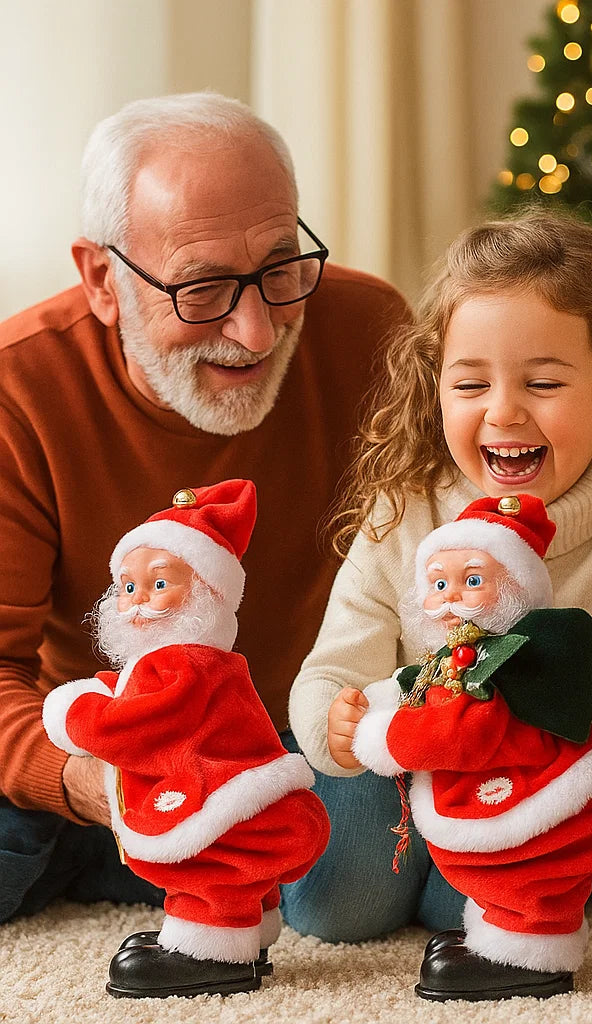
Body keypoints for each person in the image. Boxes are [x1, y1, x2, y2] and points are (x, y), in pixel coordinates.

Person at [288, 211, 592, 945]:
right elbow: (332, 669)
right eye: (471, 383)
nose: (503, 411)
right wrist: (337, 728)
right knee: (339, 914)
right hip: (395, 776)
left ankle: (442, 875)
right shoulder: (404, 512)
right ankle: (395, 860)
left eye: (542, 382)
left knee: (474, 916)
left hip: (552, 790)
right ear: (437, 389)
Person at [0, 92, 407, 927]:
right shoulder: (20, 391)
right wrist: (95, 786)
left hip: (299, 733)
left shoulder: (373, 332)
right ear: (102, 279)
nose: (257, 332)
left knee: (356, 879)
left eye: (280, 268)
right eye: (204, 289)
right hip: (102, 745)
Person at [336, 493, 592, 1001]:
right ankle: (497, 935)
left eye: (472, 580)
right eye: (438, 583)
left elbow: (464, 730)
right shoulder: (456, 659)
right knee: (493, 871)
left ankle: (530, 955)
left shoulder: (506, 657)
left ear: (515, 590)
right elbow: (420, 685)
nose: (452, 596)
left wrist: (381, 735)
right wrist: (374, 702)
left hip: (534, 792)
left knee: (526, 867)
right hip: (501, 789)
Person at [42, 479, 330, 998]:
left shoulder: (186, 665)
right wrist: (101, 688)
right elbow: (133, 688)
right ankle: (250, 930)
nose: (137, 602)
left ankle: (211, 947)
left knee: (209, 863)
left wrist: (74, 710)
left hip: (218, 795)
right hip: (239, 791)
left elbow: (129, 724)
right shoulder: (182, 661)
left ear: (205, 592)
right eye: (127, 587)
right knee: (232, 863)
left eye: (158, 584)